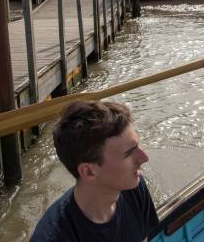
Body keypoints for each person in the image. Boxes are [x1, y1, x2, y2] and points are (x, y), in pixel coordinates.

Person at [31, 100, 158, 242]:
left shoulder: (134, 188)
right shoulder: (53, 237)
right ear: (89, 172)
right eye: (129, 153)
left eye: (137, 145)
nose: (144, 157)